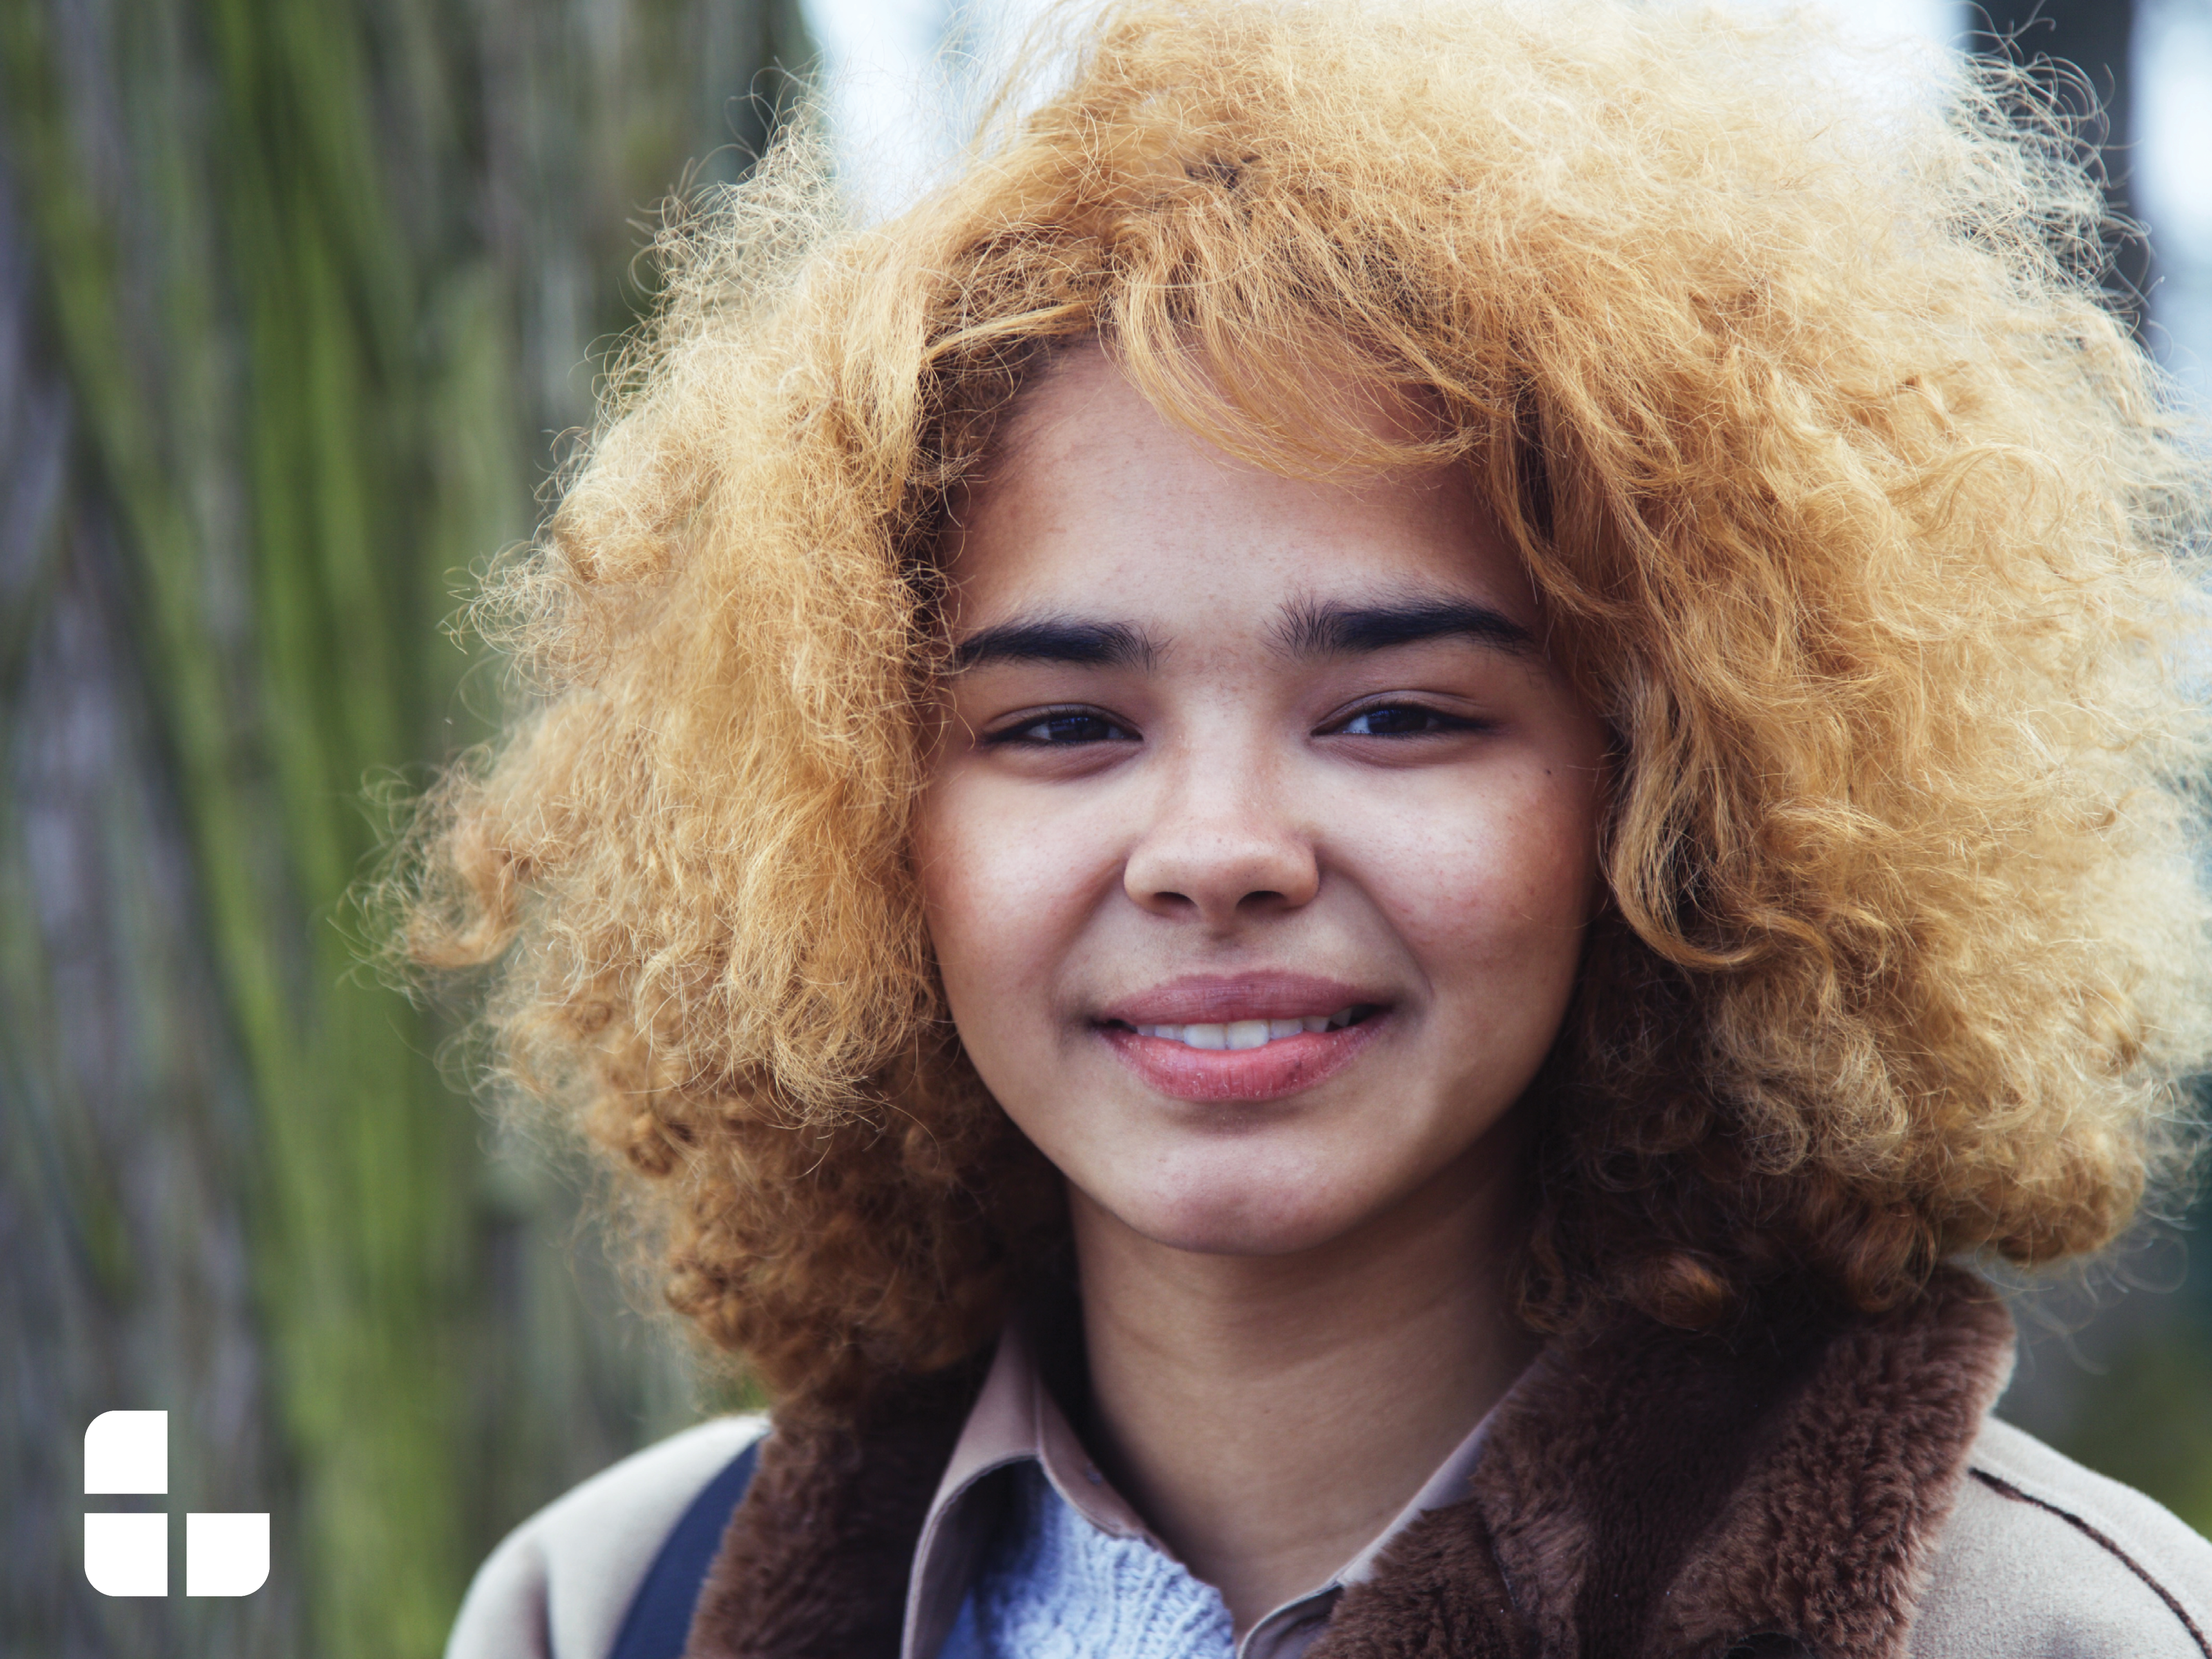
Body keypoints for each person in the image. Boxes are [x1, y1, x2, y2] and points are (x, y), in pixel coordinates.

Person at [403, 1, 2212, 1654]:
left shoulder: (2055, 1632)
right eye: (1059, 726)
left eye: (1396, 714)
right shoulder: (614, 1602)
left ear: (1671, 798)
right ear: (867, 829)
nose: (1216, 849)